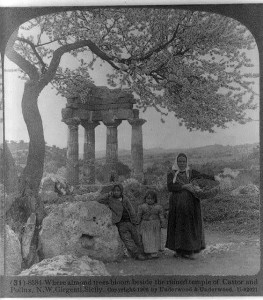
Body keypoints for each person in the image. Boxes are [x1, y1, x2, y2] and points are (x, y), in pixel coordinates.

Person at [166, 153, 215, 260]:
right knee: (178, 225)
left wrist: (215, 178)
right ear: (176, 162)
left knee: (189, 226)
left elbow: (203, 176)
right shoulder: (171, 173)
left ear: (187, 162)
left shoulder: (191, 172)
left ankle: (189, 250)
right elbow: (170, 187)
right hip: (177, 205)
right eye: (180, 161)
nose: (182, 163)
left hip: (191, 205)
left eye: (184, 161)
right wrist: (184, 186)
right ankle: (179, 250)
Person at [97, 183, 146, 261]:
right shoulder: (110, 198)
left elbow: (131, 209)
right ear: (112, 191)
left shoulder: (125, 198)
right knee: (127, 240)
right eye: (114, 190)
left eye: (118, 190)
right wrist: (107, 194)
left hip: (130, 221)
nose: (116, 192)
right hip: (120, 223)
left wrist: (135, 220)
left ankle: (143, 252)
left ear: (121, 191)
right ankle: (136, 254)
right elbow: (99, 200)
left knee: (137, 237)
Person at [137, 190, 165, 259]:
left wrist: (163, 223)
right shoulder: (142, 207)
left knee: (154, 238)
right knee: (146, 238)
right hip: (145, 225)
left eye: (151, 199)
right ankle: (147, 252)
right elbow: (139, 216)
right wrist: (137, 223)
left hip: (155, 226)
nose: (149, 200)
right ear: (145, 199)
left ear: (155, 199)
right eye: (148, 198)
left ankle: (154, 252)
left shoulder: (159, 207)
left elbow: (161, 216)